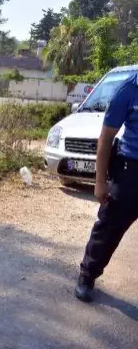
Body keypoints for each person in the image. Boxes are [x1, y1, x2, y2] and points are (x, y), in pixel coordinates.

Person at [75, 71, 138, 302]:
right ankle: (87, 275)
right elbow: (106, 136)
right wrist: (100, 182)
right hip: (131, 170)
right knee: (109, 227)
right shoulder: (129, 89)